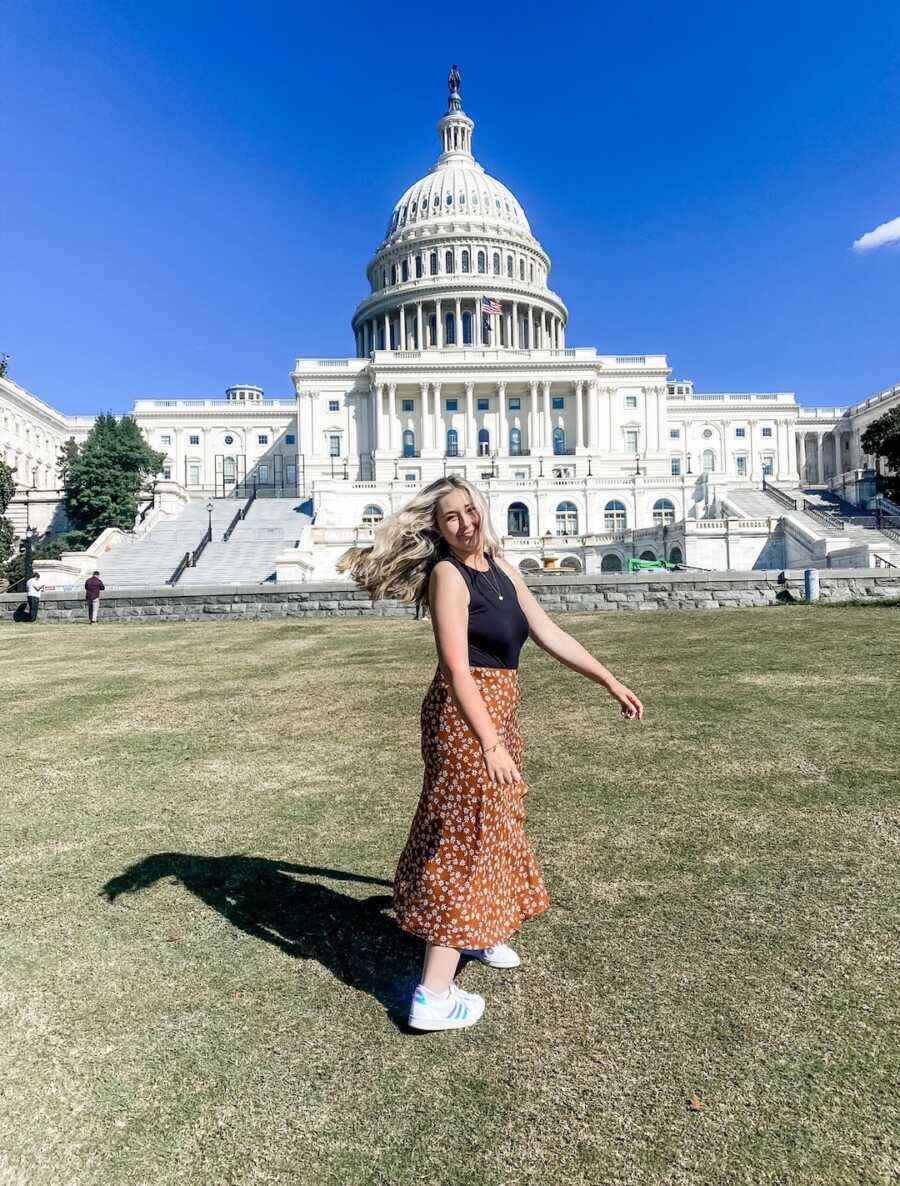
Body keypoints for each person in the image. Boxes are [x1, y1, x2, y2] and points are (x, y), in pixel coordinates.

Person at [337, 475, 644, 1033]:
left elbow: (547, 631)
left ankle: (480, 929)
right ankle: (433, 994)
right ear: (438, 526)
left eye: (470, 510)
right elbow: (456, 670)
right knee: (468, 835)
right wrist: (490, 743)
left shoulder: (502, 569)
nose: (465, 522)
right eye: (451, 516)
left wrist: (608, 679)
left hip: (499, 708)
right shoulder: (448, 577)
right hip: (465, 715)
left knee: (497, 822)